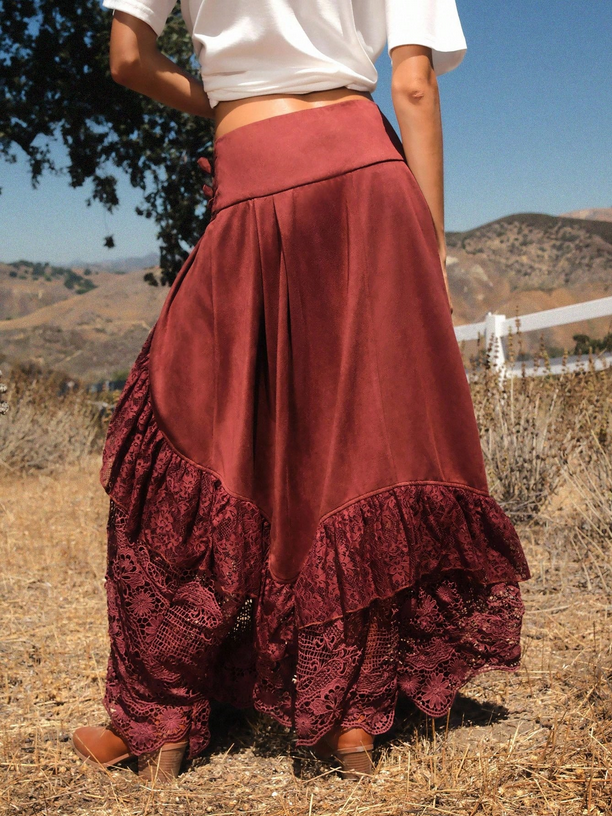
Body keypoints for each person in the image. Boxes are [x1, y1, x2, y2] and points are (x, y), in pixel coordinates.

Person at [72, 0, 531, 783]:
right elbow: (413, 83)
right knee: (359, 444)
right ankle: (345, 719)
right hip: (370, 172)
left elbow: (127, 56)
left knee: (189, 425)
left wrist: (222, 93)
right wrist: (431, 245)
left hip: (255, 163)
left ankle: (163, 718)